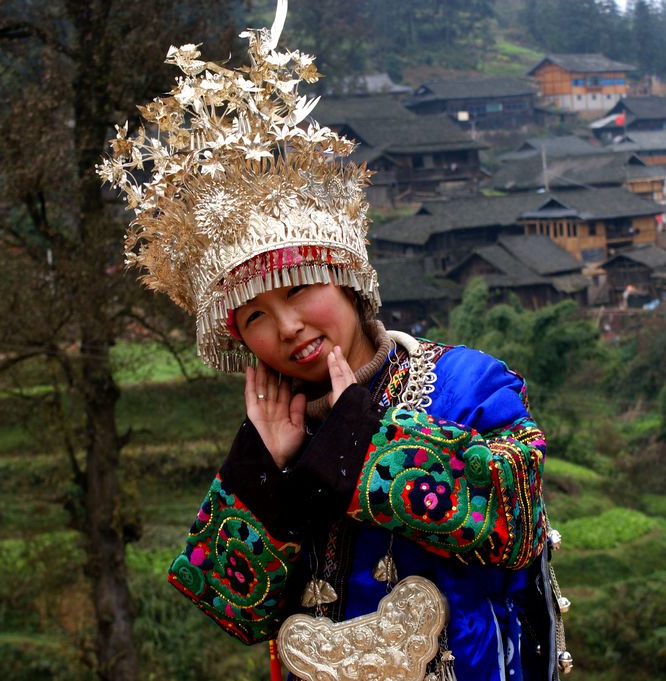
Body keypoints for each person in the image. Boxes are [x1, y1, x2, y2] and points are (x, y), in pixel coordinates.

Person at [99, 2, 569, 678]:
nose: (286, 327)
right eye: (255, 316)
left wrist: (362, 443)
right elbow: (229, 606)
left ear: (347, 279)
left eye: (297, 290)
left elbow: (516, 515)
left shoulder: (469, 383)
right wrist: (269, 473)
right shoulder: (274, 434)